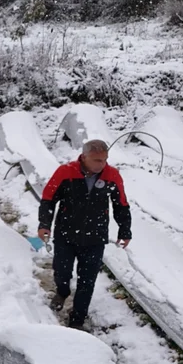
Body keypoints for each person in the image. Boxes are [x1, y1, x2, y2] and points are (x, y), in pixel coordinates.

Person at [37, 139, 132, 329]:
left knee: (87, 281)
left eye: (105, 160)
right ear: (84, 157)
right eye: (97, 160)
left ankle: (77, 319)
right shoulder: (66, 172)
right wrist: (44, 224)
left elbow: (121, 204)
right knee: (62, 271)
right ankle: (62, 292)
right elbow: (48, 199)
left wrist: (125, 230)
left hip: (95, 237)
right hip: (66, 233)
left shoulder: (112, 175)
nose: (102, 164)